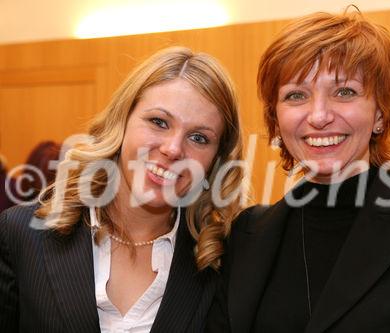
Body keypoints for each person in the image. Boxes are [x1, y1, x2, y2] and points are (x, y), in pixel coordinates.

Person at [206, 11, 390, 333]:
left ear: (381, 112)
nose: (319, 115)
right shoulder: (247, 232)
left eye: (345, 92)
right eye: (296, 95)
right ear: (276, 120)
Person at [0, 46, 244, 332]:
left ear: (215, 161)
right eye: (158, 122)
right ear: (122, 120)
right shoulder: (21, 234)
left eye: (199, 137)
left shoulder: (222, 261)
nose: (173, 149)